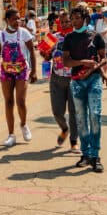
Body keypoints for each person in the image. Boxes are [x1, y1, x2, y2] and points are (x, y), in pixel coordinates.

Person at [61, 5, 107, 173]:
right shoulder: (69, 38)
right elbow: (66, 62)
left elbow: (104, 58)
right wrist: (83, 62)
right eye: (72, 19)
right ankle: (85, 154)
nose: (74, 22)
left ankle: (95, 156)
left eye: (77, 18)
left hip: (93, 80)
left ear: (85, 18)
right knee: (81, 119)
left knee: (95, 115)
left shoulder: (96, 36)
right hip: (77, 81)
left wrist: (94, 68)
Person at [0, 8, 36, 146]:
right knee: (9, 102)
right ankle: (11, 135)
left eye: (19, 18)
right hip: (6, 71)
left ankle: (23, 124)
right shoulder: (0, 35)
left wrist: (34, 70)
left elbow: (32, 52)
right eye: (14, 19)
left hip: (22, 70)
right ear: (7, 20)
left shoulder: (24, 33)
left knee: (21, 101)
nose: (18, 21)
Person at [42, 10, 79, 154]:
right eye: (62, 22)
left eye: (67, 21)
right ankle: (65, 129)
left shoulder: (77, 37)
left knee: (74, 112)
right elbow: (43, 53)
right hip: (56, 78)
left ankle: (74, 142)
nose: (64, 24)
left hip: (74, 79)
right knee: (57, 112)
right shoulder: (53, 37)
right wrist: (46, 54)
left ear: (73, 21)